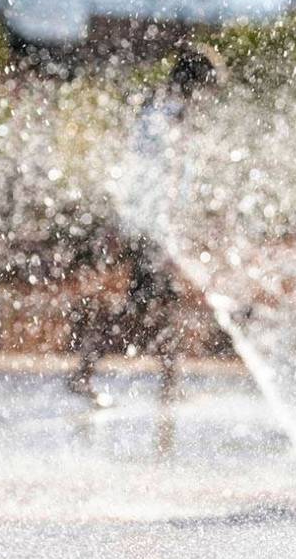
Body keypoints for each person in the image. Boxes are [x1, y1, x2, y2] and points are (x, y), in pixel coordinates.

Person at [69, 45, 225, 440]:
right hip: (146, 231)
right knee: (142, 308)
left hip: (154, 230)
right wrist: (138, 228)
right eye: (207, 87)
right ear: (194, 83)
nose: (208, 98)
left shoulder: (171, 114)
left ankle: (163, 382)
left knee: (157, 305)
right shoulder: (161, 116)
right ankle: (87, 373)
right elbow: (143, 175)